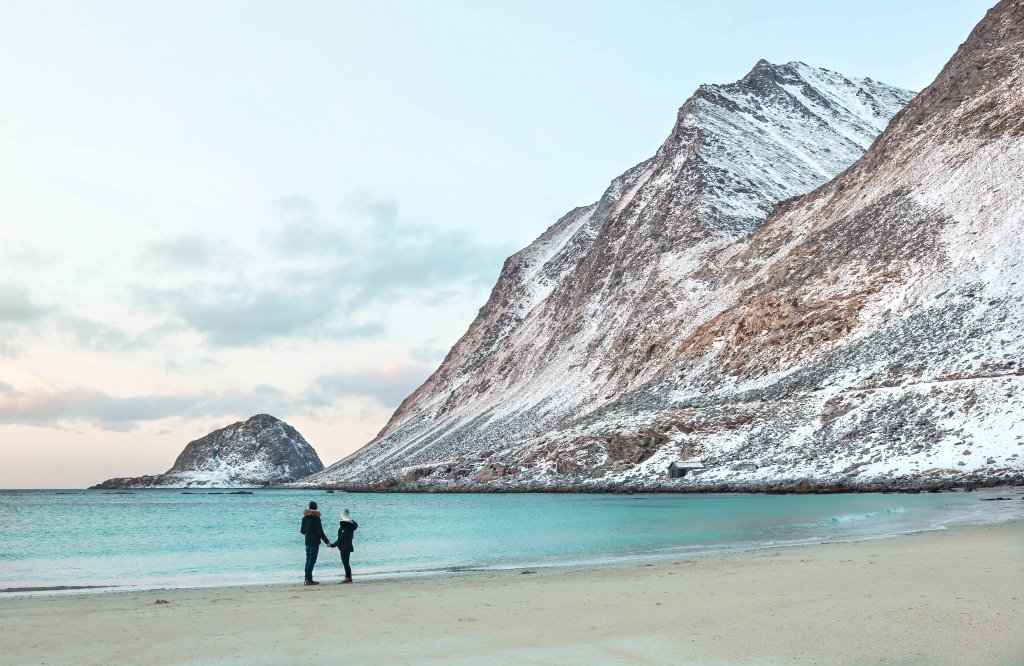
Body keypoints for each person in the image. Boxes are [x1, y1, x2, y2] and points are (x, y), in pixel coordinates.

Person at [300, 501, 331, 585]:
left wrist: (308, 531)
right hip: (314, 542)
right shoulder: (316, 518)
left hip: (307, 542)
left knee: (308, 560)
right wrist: (327, 542)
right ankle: (309, 580)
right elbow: (320, 532)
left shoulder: (304, 518)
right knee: (312, 561)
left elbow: (302, 531)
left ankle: (307, 578)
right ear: (316, 508)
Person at [330, 508, 359, 584]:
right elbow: (355, 525)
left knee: (345, 562)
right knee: (346, 562)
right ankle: (348, 577)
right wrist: (350, 519)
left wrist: (332, 545)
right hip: (347, 546)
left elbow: (340, 540)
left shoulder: (344, 528)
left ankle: (348, 577)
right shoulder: (350, 527)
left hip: (345, 547)